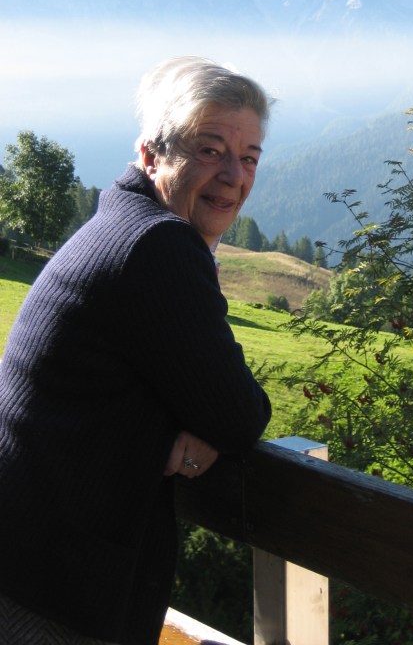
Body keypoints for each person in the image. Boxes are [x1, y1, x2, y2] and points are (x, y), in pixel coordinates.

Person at [0, 56, 273, 645]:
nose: (234, 175)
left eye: (249, 156)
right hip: (50, 587)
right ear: (152, 156)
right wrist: (196, 426)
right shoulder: (157, 244)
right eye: (210, 149)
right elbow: (239, 414)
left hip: (25, 550)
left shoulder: (122, 221)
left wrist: (183, 424)